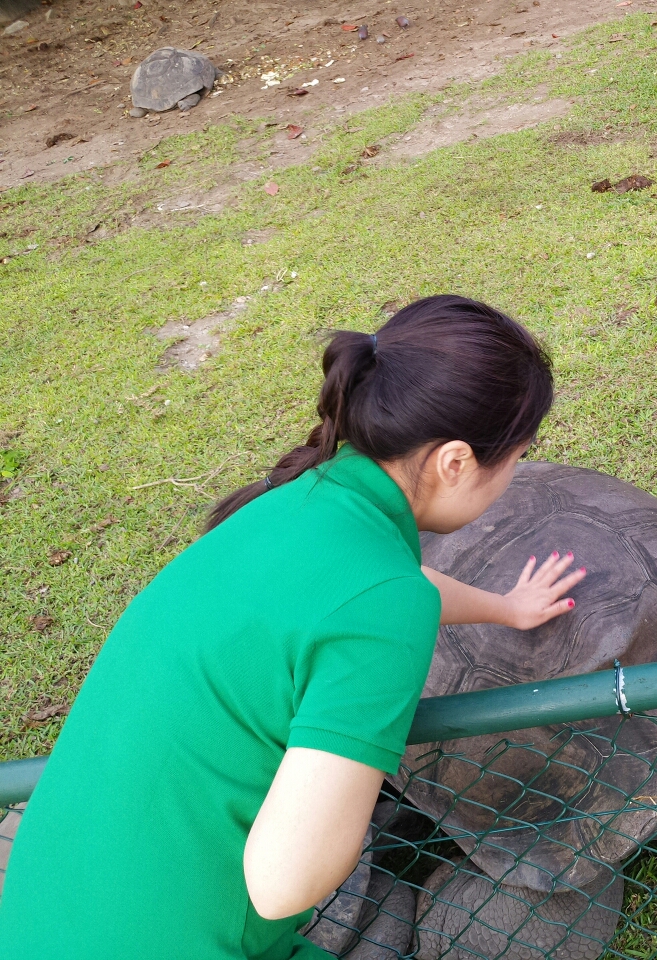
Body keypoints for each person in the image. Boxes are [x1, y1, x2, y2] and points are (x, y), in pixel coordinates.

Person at [0, 295, 583, 959]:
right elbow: (284, 884)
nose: (513, 477)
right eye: (515, 458)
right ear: (455, 461)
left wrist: (506, 606)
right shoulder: (382, 607)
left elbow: (381, 585)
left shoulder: (295, 501)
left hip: (46, 913)